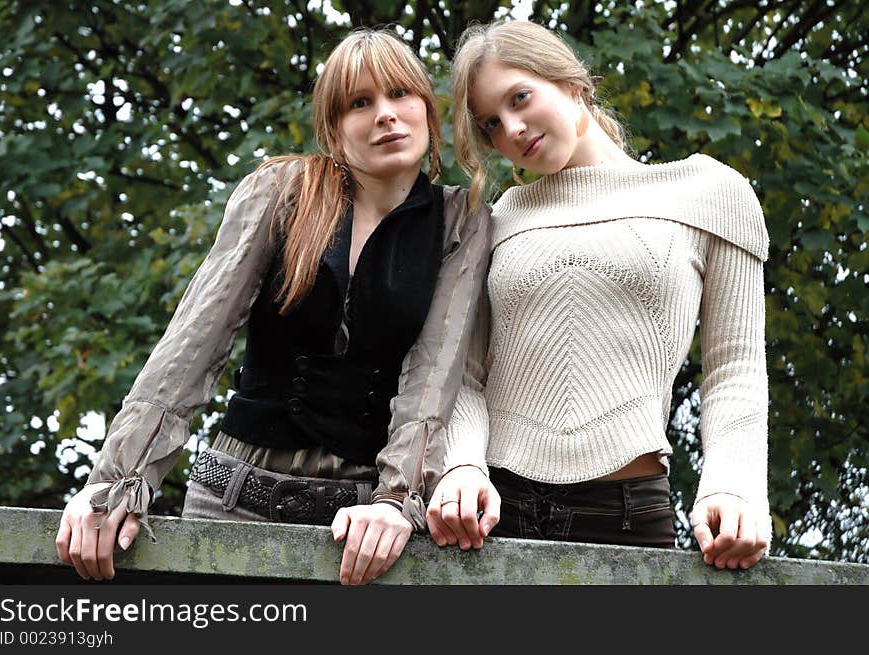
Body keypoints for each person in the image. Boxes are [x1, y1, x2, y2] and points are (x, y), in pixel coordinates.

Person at [55, 28, 490, 585]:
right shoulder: (284, 190)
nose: (386, 115)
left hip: (360, 524)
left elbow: (434, 375)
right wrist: (117, 481)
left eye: (401, 95)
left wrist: (395, 500)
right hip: (232, 497)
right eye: (361, 102)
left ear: (428, 114)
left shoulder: (461, 220)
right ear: (335, 127)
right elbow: (194, 343)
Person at [426, 20, 771, 571]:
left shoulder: (709, 193)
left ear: (571, 82)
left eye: (520, 98)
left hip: (628, 515)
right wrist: (461, 467)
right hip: (492, 520)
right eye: (492, 122)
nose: (512, 128)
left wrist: (734, 487)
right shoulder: (492, 222)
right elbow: (463, 375)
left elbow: (735, 368)